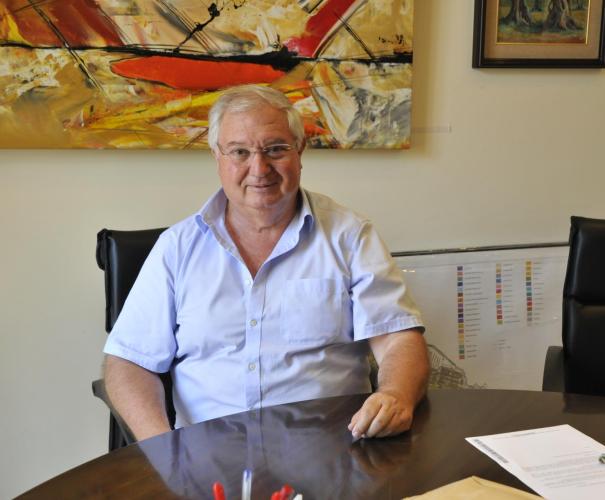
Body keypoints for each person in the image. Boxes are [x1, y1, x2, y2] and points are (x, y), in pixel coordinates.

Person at [103, 84, 429, 442]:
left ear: (300, 151)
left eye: (275, 149)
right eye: (240, 152)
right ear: (217, 156)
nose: (259, 168)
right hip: (207, 459)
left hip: (330, 453)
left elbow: (398, 339)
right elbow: (128, 361)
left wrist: (395, 394)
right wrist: (162, 448)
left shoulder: (350, 237)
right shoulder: (177, 248)